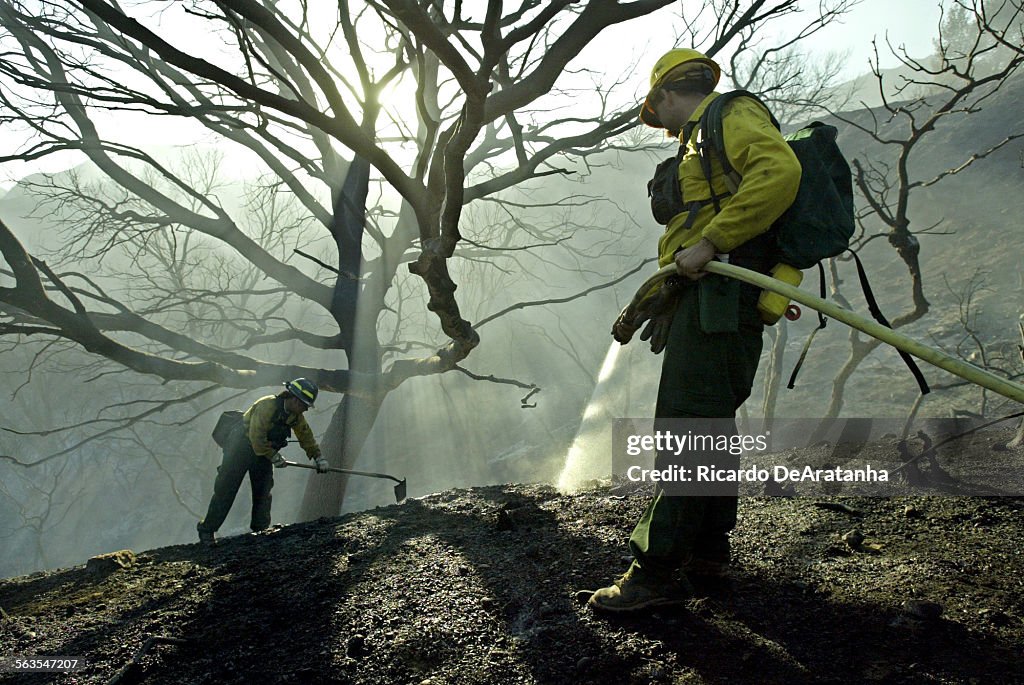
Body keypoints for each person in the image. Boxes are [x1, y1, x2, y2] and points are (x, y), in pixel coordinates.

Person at [589, 49, 801, 612]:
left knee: (686, 432)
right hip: (710, 300)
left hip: (719, 298)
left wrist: (713, 243)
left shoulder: (727, 116)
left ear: (663, 96)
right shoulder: (703, 137)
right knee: (708, 429)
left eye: (656, 113)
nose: (660, 127)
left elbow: (779, 171)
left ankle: (654, 572)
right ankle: (709, 552)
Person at [197, 378, 329, 544]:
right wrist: (273, 456)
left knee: (263, 491)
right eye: (304, 405)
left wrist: (318, 457)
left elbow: (306, 436)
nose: (305, 410)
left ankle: (260, 531)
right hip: (240, 447)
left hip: (263, 453)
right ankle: (207, 531)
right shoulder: (267, 405)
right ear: (295, 399)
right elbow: (256, 437)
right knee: (226, 489)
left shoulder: (295, 416)